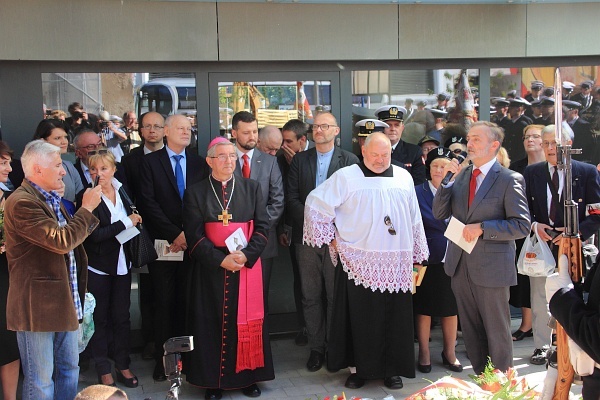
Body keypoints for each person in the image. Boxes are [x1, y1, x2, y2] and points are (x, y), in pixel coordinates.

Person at [304, 132, 429, 389]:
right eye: (375, 154)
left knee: (394, 319)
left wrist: (416, 250)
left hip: (395, 262)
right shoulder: (346, 177)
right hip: (358, 261)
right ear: (363, 152)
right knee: (360, 319)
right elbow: (315, 204)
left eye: (385, 154)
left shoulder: (403, 177)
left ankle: (392, 370)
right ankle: (358, 370)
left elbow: (413, 215)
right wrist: (333, 240)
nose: (381, 160)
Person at [4, 140, 102, 400]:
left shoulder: (50, 197)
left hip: (65, 302)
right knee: (41, 380)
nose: (63, 171)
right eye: (58, 165)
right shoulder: (21, 202)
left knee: (69, 370)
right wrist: (87, 208)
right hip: (37, 308)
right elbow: (62, 241)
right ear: (37, 170)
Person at [432, 121, 531, 374]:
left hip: (492, 268)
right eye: (469, 138)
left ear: (494, 145)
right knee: (472, 330)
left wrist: (484, 227)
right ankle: (481, 379)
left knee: (496, 331)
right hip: (459, 264)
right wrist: (446, 181)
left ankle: (501, 383)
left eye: (476, 139)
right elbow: (439, 212)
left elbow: (521, 225)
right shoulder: (462, 175)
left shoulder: (510, 179)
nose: (469, 143)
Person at [183, 137, 273, 399]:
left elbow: (263, 227)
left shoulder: (251, 187)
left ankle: (248, 377)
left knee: (244, 320)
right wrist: (220, 259)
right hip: (211, 269)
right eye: (222, 156)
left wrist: (245, 255)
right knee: (211, 323)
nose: (229, 161)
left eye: (232, 156)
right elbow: (194, 235)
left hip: (246, 267)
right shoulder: (196, 192)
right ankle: (214, 382)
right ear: (210, 160)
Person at [137, 114, 210, 381]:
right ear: (166, 131)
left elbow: (204, 202)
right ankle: (164, 361)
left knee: (189, 302)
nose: (186, 132)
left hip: (193, 244)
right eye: (180, 128)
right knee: (164, 303)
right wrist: (174, 234)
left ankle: (190, 359)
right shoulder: (149, 163)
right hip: (164, 245)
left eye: (189, 128)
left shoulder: (199, 163)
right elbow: (147, 203)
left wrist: (188, 235)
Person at [286, 112, 359, 373]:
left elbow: (353, 203)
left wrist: (330, 229)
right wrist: (313, 223)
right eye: (315, 126)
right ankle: (316, 348)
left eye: (324, 126)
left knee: (334, 294)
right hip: (305, 237)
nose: (318, 130)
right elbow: (291, 197)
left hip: (336, 240)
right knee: (310, 295)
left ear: (336, 131)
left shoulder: (350, 161)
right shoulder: (300, 160)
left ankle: (333, 346)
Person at [523, 124, 600, 365]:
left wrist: (573, 233)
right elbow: (522, 210)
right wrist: (536, 227)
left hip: (574, 246)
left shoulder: (586, 172)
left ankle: (568, 346)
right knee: (538, 296)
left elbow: (596, 213)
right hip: (543, 244)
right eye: (545, 143)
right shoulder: (532, 172)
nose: (549, 148)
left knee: (572, 293)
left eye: (554, 143)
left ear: (568, 144)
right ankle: (542, 346)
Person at [82, 150, 141, 387]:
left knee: (122, 317)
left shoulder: (122, 190)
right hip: (99, 268)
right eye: (93, 169)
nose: (99, 174)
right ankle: (103, 369)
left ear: (113, 169)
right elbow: (95, 236)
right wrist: (128, 222)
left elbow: (130, 223)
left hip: (122, 265)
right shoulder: (86, 196)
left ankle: (122, 364)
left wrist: (133, 221)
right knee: (100, 319)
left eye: (103, 169)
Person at [120, 111, 165, 360]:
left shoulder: (174, 156)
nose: (152, 131)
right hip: (144, 232)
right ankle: (149, 339)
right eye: (147, 126)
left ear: (164, 130)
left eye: (157, 126)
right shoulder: (131, 160)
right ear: (140, 131)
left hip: (173, 232)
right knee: (148, 290)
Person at [414, 147, 462, 374]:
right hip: (426, 258)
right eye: (435, 166)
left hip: (454, 256)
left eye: (444, 166)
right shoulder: (417, 192)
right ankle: (424, 352)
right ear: (428, 167)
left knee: (450, 308)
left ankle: (449, 352)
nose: (439, 171)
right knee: (424, 308)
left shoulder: (458, 190)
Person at [231, 112, 284, 311]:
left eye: (254, 131)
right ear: (234, 133)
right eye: (246, 132)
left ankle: (261, 341)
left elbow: (277, 201)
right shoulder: (225, 158)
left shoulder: (270, 162)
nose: (252, 136)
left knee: (259, 298)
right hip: (231, 243)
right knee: (234, 300)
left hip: (262, 242)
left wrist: (256, 231)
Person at [507, 124, 546, 343]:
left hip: (549, 232)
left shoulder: (554, 167)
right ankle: (526, 323)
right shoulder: (516, 168)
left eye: (535, 136)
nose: (530, 140)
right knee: (524, 276)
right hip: (522, 230)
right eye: (526, 136)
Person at [277, 118, 312, 346]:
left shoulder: (314, 156)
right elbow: (282, 196)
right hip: (295, 230)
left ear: (302, 140)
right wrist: (282, 227)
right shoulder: (282, 159)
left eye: (288, 141)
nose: (283, 146)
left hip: (324, 232)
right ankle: (304, 326)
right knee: (301, 282)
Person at [33, 119, 85, 215]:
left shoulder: (69, 166)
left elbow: (81, 199)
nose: (64, 142)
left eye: (65, 137)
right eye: (57, 138)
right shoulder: (35, 169)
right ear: (43, 141)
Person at [0, 142, 19, 400]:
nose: (10, 168)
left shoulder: (9, 194)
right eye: (3, 162)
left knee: (8, 343)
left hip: (7, 277)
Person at [375, 105, 426, 185]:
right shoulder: (371, 151)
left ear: (402, 128)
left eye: (397, 125)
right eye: (388, 125)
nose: (393, 129)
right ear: (381, 128)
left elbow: (419, 184)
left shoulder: (414, 152)